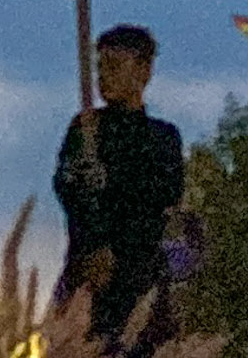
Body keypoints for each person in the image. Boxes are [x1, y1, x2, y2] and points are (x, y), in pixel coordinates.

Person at [52, 23, 186, 354]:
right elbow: (71, 191)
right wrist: (95, 243)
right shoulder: (85, 129)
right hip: (88, 279)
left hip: (140, 278)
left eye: (114, 66)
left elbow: (162, 195)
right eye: (100, 68)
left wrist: (109, 190)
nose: (104, 77)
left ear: (144, 70)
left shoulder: (162, 137)